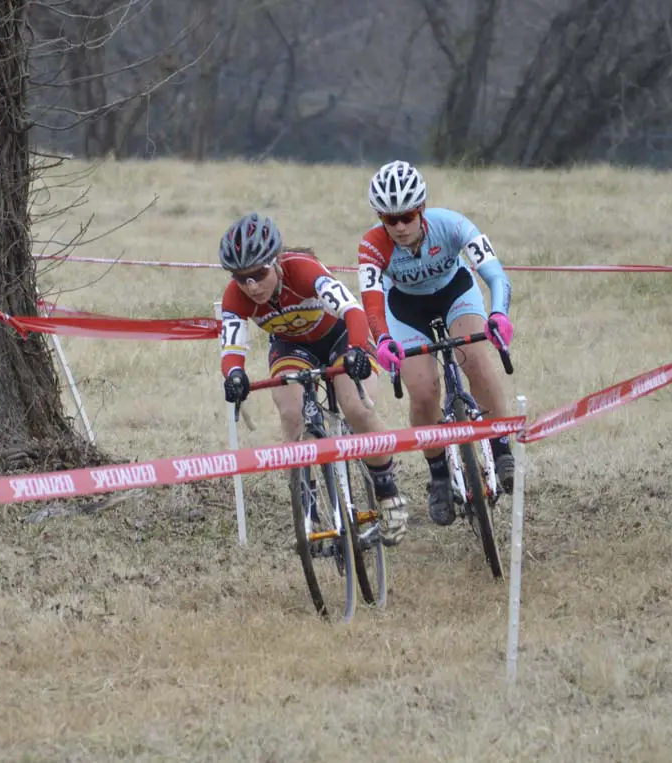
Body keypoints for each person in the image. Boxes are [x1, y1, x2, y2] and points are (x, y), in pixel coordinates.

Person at [218, 212, 409, 546]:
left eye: (259, 274)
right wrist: (234, 375)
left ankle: (388, 493)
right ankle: (307, 502)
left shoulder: (302, 270)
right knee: (290, 413)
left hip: (340, 338)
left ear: (275, 262)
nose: (252, 286)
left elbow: (352, 310)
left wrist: (355, 352)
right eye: (241, 278)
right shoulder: (235, 297)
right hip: (291, 347)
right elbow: (232, 345)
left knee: (355, 407)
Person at [356, 160, 515, 527]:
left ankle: (500, 444)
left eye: (407, 216)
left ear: (422, 209)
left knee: (474, 358)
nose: (398, 227)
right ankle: (439, 474)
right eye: (388, 219)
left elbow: (494, 273)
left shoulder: (452, 225)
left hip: (455, 293)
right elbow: (371, 299)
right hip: (405, 308)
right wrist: (381, 339)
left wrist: (499, 314)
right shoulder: (372, 245)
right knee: (424, 391)